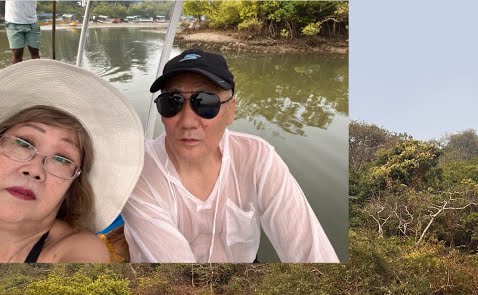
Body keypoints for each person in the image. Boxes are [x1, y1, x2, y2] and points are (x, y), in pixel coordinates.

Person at [123, 48, 339, 263]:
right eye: (172, 102)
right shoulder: (138, 171)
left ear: (231, 111)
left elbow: (311, 252)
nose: (187, 122)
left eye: (206, 103)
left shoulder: (257, 158)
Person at [0, 60, 144, 263]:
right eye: (24, 143)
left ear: (72, 187)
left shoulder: (76, 250)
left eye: (61, 158)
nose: (34, 169)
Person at [5, 0, 40, 64]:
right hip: (13, 22)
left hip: (32, 22)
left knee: (35, 52)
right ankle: (17, 73)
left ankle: (36, 73)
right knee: (17, 54)